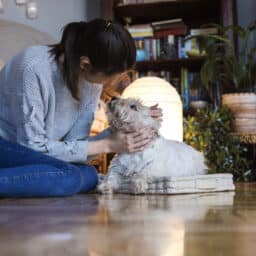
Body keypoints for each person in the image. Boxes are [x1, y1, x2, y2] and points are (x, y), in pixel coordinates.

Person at [0, 19, 162, 197]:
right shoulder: (32, 68)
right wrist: (108, 144)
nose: (110, 84)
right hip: (9, 146)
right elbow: (33, 148)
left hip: (36, 156)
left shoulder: (91, 80)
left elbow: (76, 148)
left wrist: (122, 131)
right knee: (73, 176)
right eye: (108, 79)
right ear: (85, 64)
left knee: (86, 174)